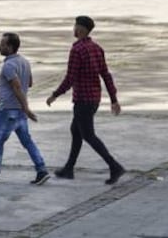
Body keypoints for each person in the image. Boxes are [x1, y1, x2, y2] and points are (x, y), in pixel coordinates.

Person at [46, 16, 125, 185]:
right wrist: (113, 99)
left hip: (82, 99)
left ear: (80, 29)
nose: (73, 29)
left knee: (88, 135)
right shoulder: (97, 48)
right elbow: (106, 75)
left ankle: (114, 166)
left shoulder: (77, 50)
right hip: (94, 98)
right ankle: (69, 168)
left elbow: (70, 78)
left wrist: (55, 94)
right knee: (76, 130)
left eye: (75, 26)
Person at [0, 33, 50, 185]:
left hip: (8, 110)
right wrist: (2, 85)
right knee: (27, 141)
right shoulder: (24, 61)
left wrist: (27, 108)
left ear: (10, 47)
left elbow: (17, 86)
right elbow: (28, 83)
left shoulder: (8, 65)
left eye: (2, 44)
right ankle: (41, 168)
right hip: (19, 112)